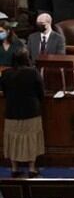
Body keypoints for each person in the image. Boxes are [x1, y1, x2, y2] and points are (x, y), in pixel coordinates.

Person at [1, 49, 44, 177]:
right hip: (31, 111)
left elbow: (4, 92)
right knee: (31, 138)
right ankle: (31, 168)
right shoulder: (33, 73)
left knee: (13, 139)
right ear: (27, 59)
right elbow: (40, 92)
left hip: (12, 112)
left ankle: (14, 168)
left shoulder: (6, 73)